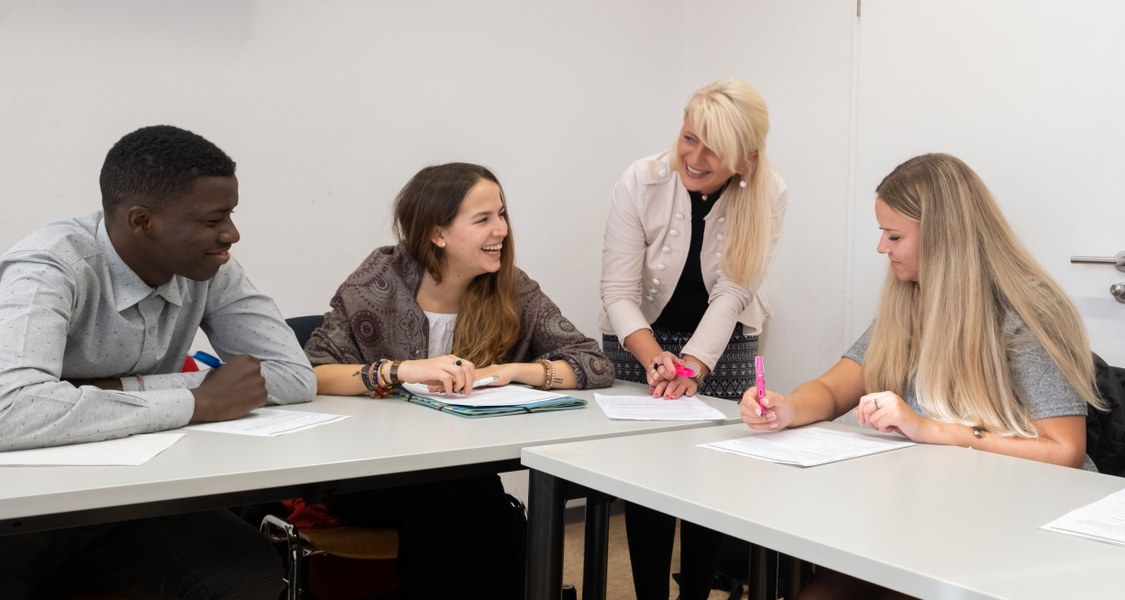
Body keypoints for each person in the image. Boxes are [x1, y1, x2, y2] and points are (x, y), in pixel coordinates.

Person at [743, 153, 1105, 600]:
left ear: (941, 237)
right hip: (932, 517)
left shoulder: (1028, 310)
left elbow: (1065, 451)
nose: (881, 248)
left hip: (1018, 525)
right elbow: (834, 388)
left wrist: (933, 430)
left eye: (894, 235)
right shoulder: (911, 298)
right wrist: (788, 407)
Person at [0, 125, 316, 599]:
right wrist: (197, 401)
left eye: (230, 214)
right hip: (23, 508)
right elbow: (12, 412)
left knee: (245, 574)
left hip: (136, 497)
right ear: (143, 221)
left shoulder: (211, 267)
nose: (231, 234)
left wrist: (124, 389)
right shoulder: (50, 267)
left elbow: (292, 376)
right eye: (214, 219)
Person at [304, 161, 614, 599]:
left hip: (460, 475)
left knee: (478, 507)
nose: (501, 231)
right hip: (371, 475)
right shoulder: (379, 281)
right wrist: (399, 370)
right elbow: (311, 373)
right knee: (475, 510)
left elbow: (593, 363)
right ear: (438, 234)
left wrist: (512, 371)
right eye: (483, 219)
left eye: (502, 215)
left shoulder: (511, 287)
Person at [599, 78, 788, 599]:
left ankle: (699, 591)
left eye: (714, 148)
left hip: (723, 345)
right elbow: (616, 290)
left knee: (713, 478)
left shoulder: (769, 193)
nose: (696, 158)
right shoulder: (641, 180)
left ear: (745, 159)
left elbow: (732, 291)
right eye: (689, 138)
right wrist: (654, 355)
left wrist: (694, 365)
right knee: (646, 482)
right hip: (637, 336)